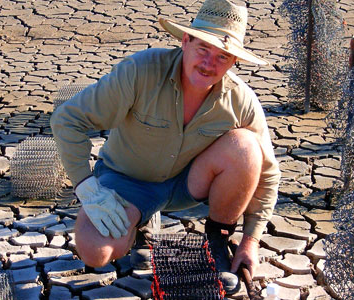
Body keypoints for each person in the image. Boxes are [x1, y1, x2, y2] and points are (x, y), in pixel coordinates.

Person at [50, 0, 280, 294]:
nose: (209, 64)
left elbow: (269, 173)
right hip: (130, 180)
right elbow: (68, 119)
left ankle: (218, 241)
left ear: (234, 61)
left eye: (223, 56)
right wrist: (87, 188)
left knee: (247, 147)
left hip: (191, 184)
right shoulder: (140, 71)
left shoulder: (240, 99)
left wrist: (251, 239)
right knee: (96, 252)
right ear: (186, 41)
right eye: (203, 49)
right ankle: (138, 229)